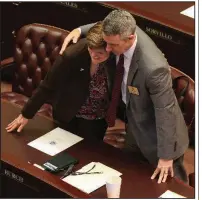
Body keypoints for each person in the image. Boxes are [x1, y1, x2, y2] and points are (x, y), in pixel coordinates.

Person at [59, 9, 189, 184]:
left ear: (130, 38)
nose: (107, 49)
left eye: (112, 45)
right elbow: (104, 26)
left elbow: (165, 112)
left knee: (170, 187)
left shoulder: (153, 68)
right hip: (134, 124)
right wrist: (80, 30)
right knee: (131, 178)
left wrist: (166, 156)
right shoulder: (124, 27)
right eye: (106, 42)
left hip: (159, 137)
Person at [6, 22, 116, 141]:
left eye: (99, 53)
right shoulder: (72, 55)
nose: (94, 56)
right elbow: (47, 86)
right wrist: (26, 114)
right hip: (68, 113)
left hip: (97, 117)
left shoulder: (117, 57)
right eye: (91, 49)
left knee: (90, 153)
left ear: (110, 48)